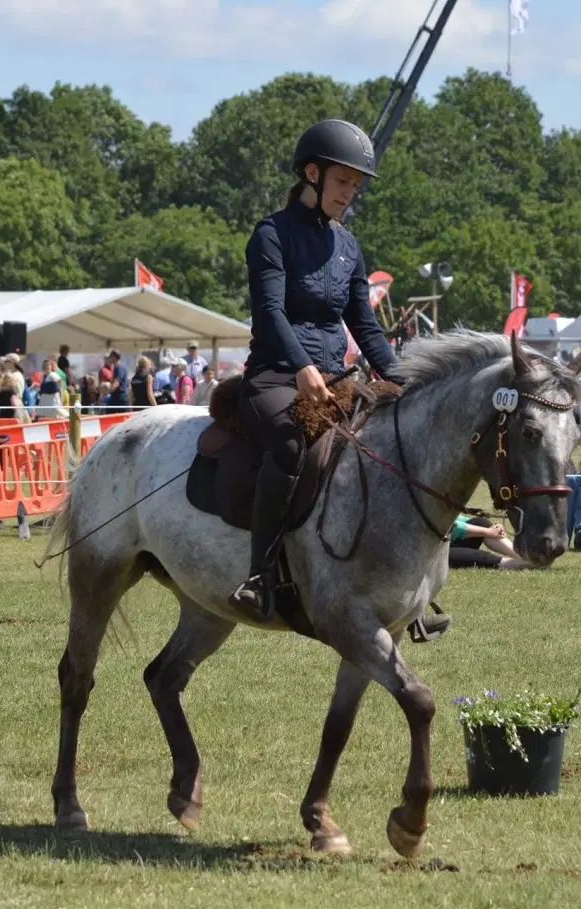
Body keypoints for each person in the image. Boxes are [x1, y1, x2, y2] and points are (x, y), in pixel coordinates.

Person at [229, 118, 403, 621]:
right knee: (289, 443)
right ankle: (259, 575)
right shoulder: (271, 234)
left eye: (356, 184)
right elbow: (271, 313)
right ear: (312, 173)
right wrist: (303, 366)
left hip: (336, 380)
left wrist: (402, 377)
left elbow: (366, 328)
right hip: (274, 378)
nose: (350, 193)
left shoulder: (349, 246)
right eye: (343, 181)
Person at [448, 515, 526, 570]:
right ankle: (526, 564)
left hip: (447, 541)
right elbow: (449, 527)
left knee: (480, 522)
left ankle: (524, 555)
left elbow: (454, 520)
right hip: (438, 552)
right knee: (478, 556)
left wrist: (494, 529)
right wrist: (488, 531)